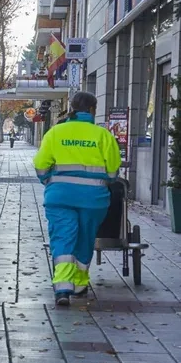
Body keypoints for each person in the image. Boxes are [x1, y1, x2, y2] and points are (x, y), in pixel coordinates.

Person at [33, 92, 122, 306]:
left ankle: (62, 287)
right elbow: (113, 171)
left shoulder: (56, 133)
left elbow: (41, 165)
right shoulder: (103, 135)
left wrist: (50, 181)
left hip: (60, 197)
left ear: (71, 108)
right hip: (93, 199)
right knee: (85, 237)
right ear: (92, 110)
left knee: (62, 237)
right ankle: (80, 284)